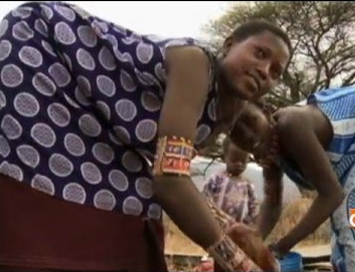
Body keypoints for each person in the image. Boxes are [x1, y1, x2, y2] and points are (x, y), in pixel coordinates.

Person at [0, 1, 291, 271]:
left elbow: (168, 177)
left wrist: (230, 227)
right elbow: (169, 183)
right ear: (228, 45)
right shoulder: (195, 64)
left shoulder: (221, 110)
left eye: (276, 72)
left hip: (90, 108)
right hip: (41, 47)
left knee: (136, 197)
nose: (265, 70)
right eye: (260, 53)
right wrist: (240, 263)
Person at [229, 85, 355, 272]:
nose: (247, 133)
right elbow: (272, 203)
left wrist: (282, 247)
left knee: (352, 212)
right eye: (235, 132)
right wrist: (253, 242)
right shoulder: (270, 151)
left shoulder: (290, 124)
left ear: (267, 111)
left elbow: (332, 195)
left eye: (250, 120)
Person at [202, 137, 259, 226]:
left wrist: (249, 223)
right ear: (225, 157)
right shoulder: (216, 178)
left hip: (238, 229)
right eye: (234, 160)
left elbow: (254, 208)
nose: (239, 164)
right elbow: (204, 198)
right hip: (215, 226)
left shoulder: (248, 185)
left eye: (243, 161)